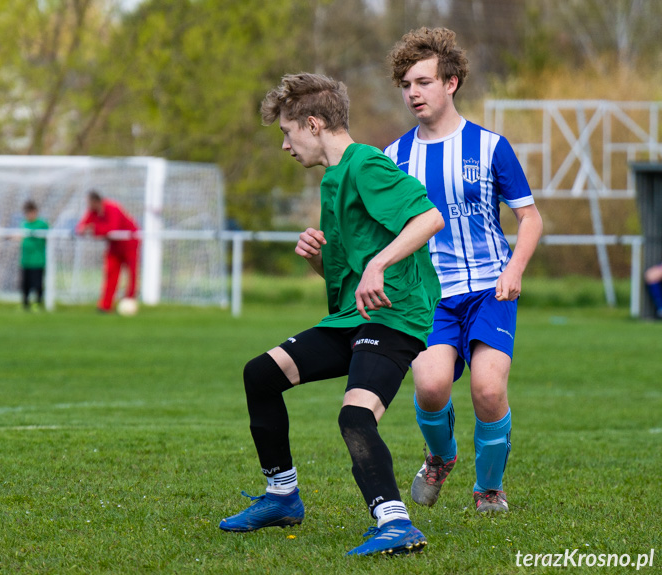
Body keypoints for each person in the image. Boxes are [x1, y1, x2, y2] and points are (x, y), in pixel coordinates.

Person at [219, 72, 445, 557]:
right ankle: (282, 495)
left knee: (355, 416)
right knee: (260, 374)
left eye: (286, 131)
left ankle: (396, 523)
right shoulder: (331, 182)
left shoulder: (366, 164)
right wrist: (317, 257)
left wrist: (380, 265)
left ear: (314, 124)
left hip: (394, 315)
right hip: (354, 317)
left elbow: (429, 218)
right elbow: (346, 279)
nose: (285, 144)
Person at [384, 27, 544, 513]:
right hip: (430, 295)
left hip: (490, 289)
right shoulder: (394, 157)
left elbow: (530, 217)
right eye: (407, 84)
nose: (413, 92)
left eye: (423, 82)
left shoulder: (491, 147)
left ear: (450, 83)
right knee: (430, 387)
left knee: (488, 389)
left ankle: (489, 489)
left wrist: (515, 269)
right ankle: (441, 456)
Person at [74, 190, 140, 313]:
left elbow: (112, 228)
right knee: (110, 273)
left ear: (95, 201)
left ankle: (129, 300)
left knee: (132, 273)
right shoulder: (92, 212)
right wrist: (82, 229)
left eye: (89, 203)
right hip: (114, 246)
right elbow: (82, 226)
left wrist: (94, 229)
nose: (88, 206)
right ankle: (105, 305)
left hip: (129, 243)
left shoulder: (112, 208)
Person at [19, 200, 49, 311]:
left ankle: (38, 304)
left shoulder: (42, 224)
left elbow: (45, 238)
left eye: (30, 212)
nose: (28, 215)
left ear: (35, 212)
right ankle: (25, 304)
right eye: (26, 213)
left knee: (37, 284)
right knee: (25, 284)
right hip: (25, 260)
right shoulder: (24, 224)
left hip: (37, 260)